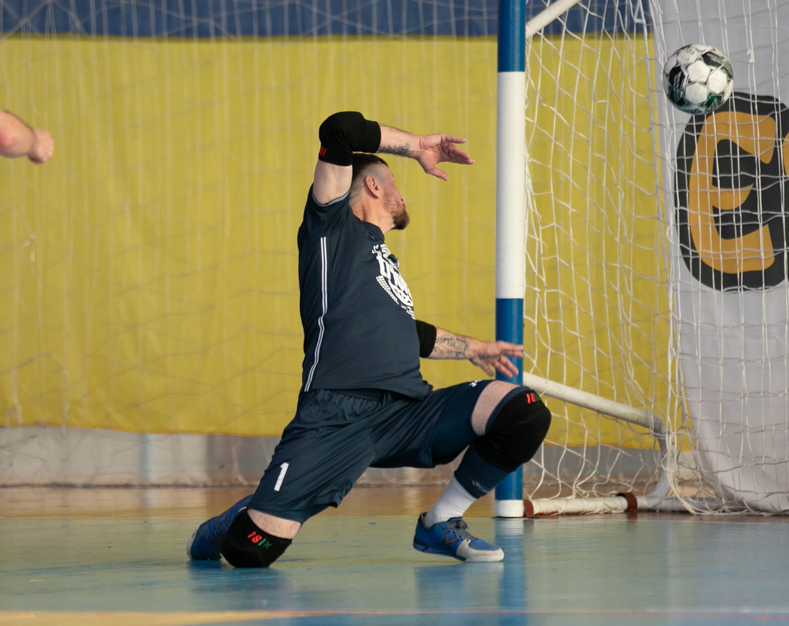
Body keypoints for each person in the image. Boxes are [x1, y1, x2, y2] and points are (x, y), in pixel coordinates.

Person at [186, 111, 550, 567]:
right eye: (395, 182)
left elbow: (405, 333)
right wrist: (417, 146)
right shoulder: (331, 227)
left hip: (408, 412)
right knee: (250, 550)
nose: (402, 193)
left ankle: (441, 521)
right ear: (374, 186)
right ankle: (240, 517)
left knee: (523, 411)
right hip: (336, 414)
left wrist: (473, 348)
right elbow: (339, 128)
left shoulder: (383, 260)